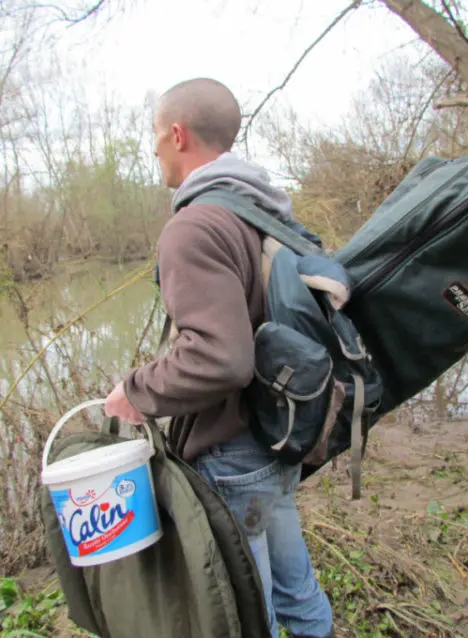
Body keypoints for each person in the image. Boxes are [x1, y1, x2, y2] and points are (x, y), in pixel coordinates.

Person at [104, 77, 334, 638]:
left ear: (177, 135)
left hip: (234, 455)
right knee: (295, 587)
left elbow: (220, 357)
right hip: (279, 436)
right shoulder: (262, 211)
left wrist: (134, 391)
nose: (154, 150)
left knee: (247, 614)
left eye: (155, 137)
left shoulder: (193, 226)